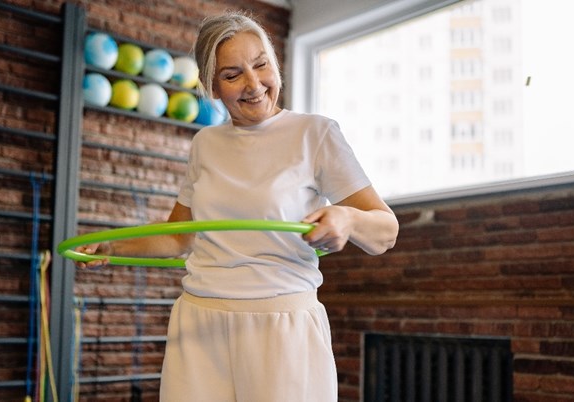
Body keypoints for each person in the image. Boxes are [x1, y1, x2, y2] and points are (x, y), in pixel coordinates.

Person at [76, 11, 399, 402]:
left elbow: (385, 231)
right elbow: (179, 239)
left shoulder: (316, 133)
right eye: (232, 75)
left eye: (261, 65)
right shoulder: (205, 144)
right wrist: (112, 249)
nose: (253, 84)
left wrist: (347, 218)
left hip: (281, 326)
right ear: (212, 86)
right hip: (198, 323)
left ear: (275, 64)